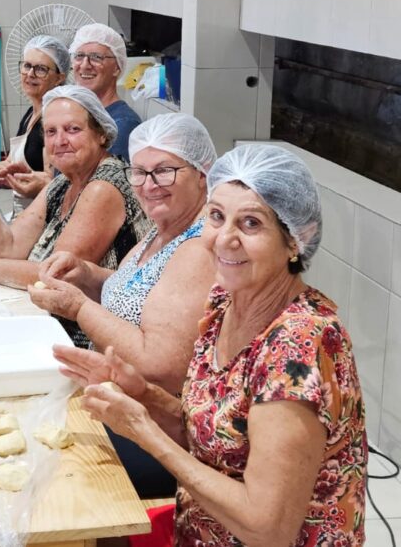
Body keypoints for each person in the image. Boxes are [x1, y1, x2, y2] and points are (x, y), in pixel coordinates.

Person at [58, 144, 366, 545]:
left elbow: (267, 529)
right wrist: (142, 392)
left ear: (295, 241)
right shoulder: (224, 303)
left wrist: (141, 430)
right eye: (217, 217)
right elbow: (210, 435)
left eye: (251, 224)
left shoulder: (299, 347)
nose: (224, 239)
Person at [28, 113, 217, 498]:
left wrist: (79, 307)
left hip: (159, 428)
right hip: (119, 397)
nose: (148, 186)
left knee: (50, 478)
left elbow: (158, 364)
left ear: (202, 173)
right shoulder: (163, 230)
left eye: (164, 171)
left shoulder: (198, 250)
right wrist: (85, 273)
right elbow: (132, 293)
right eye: (140, 173)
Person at [0, 85, 148, 346]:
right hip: (57, 320)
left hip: (94, 339)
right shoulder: (62, 184)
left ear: (101, 135)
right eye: (51, 132)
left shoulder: (104, 185)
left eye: (73, 130)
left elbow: (54, 276)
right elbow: (8, 246)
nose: (59, 141)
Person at [0, 35, 70, 211]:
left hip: (43, 217)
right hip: (22, 210)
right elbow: (13, 162)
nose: (30, 74)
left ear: (59, 77)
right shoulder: (32, 112)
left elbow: (53, 181)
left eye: (41, 69)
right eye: (27, 66)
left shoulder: (53, 120)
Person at [69, 23, 141, 161]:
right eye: (79, 56)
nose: (85, 65)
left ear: (117, 68)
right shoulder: (82, 115)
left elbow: (107, 181)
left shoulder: (122, 125)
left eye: (96, 57)